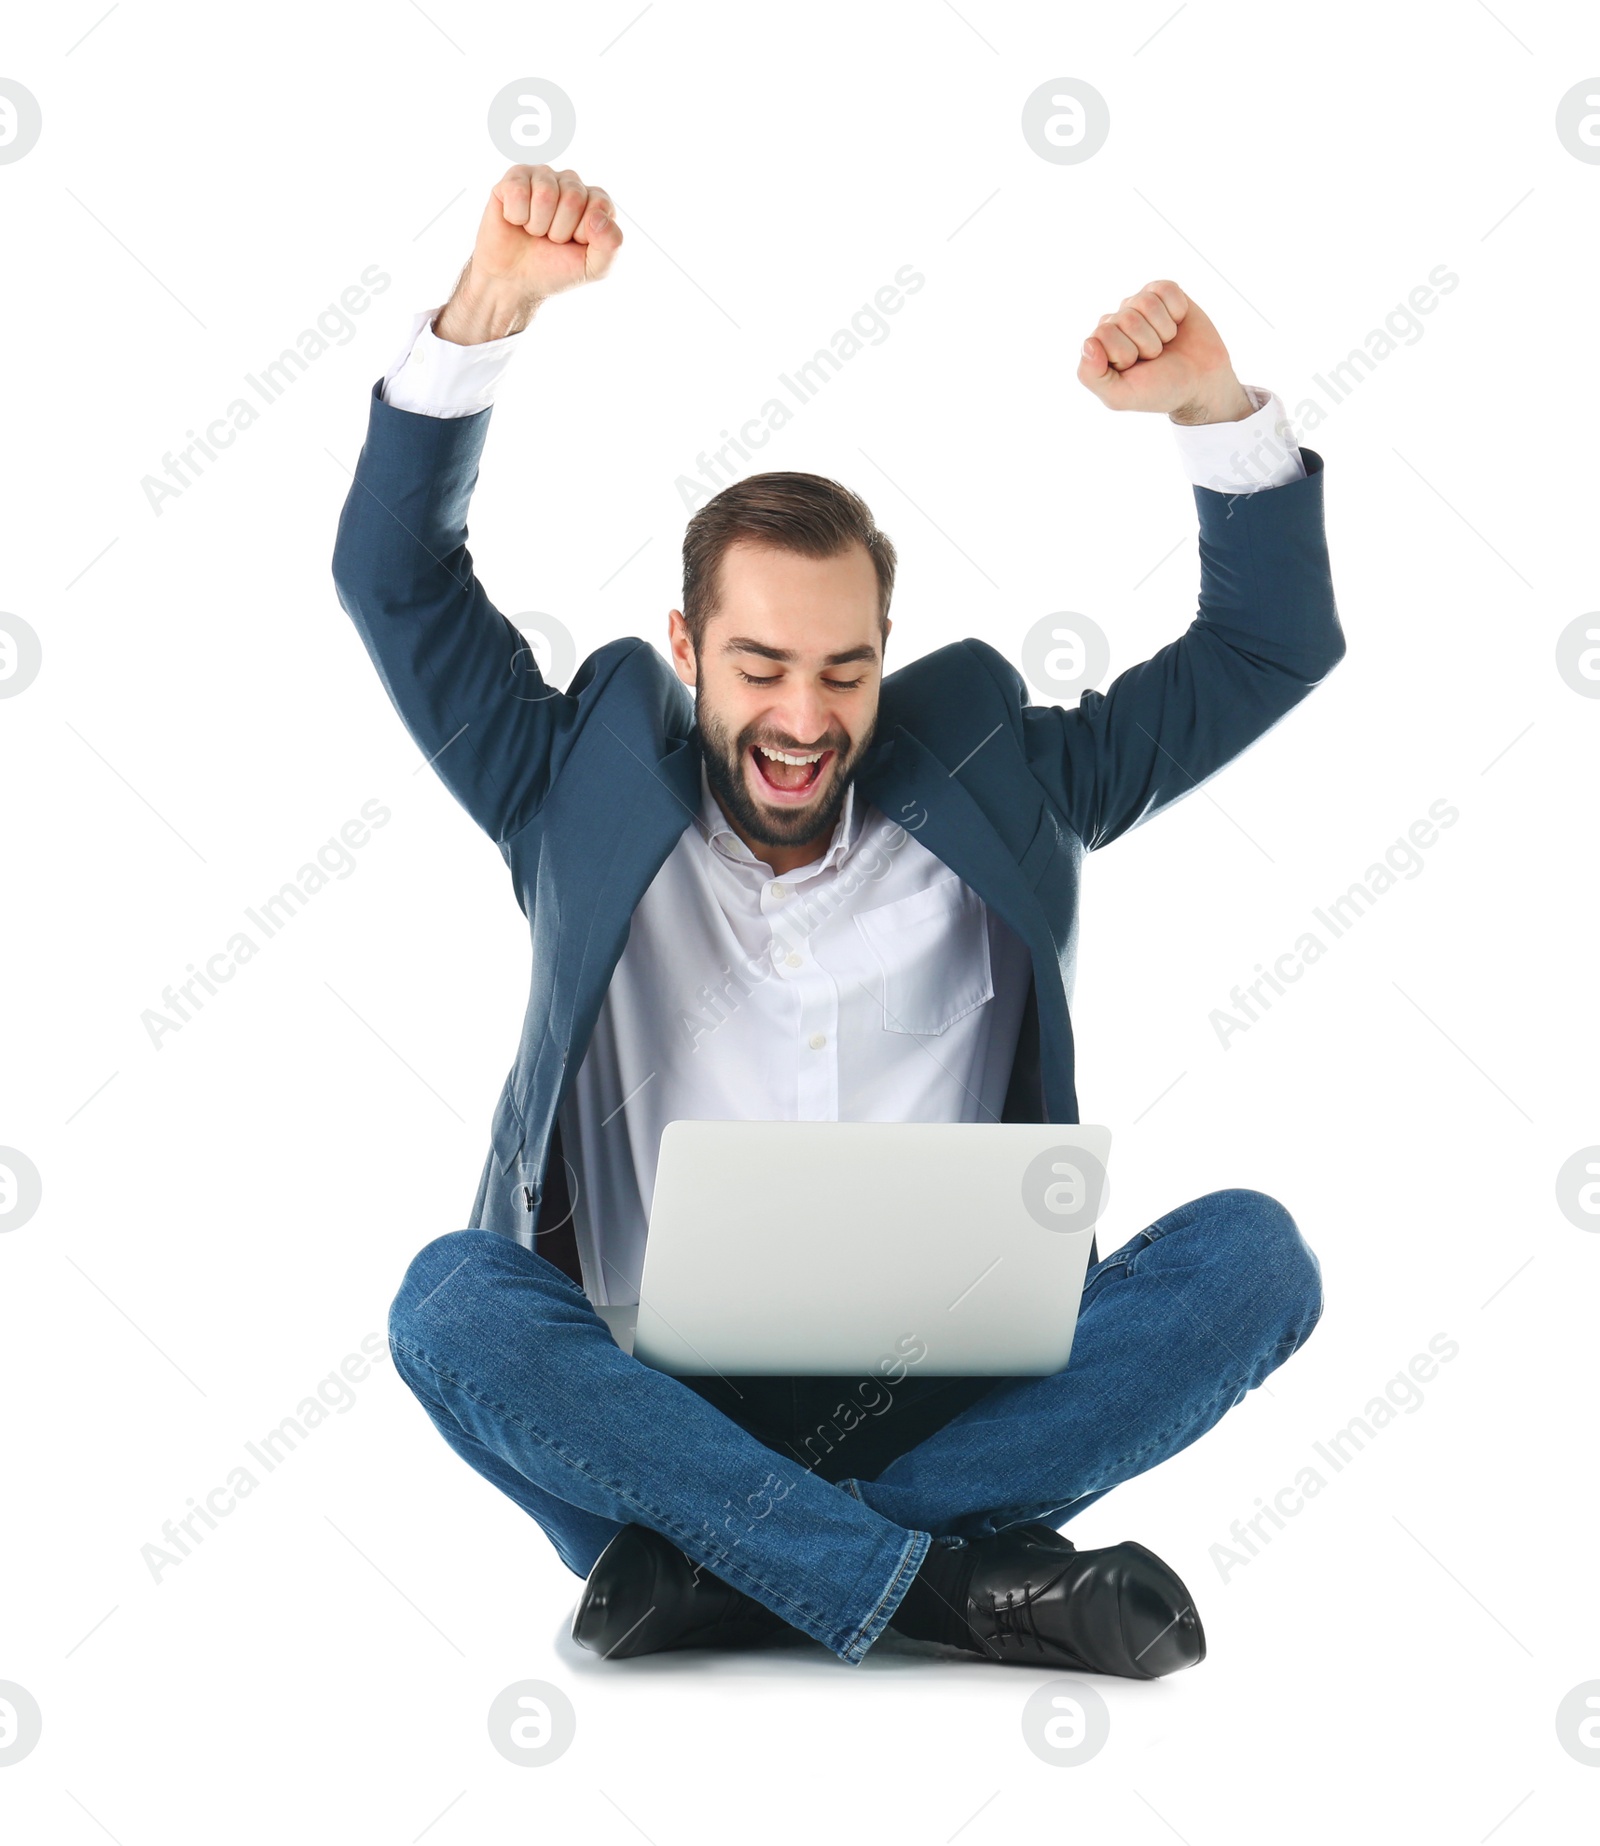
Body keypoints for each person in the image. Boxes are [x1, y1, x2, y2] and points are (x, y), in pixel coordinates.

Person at [332, 163, 1342, 1673]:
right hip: (644, 1399)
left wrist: (1216, 410)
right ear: (686, 648)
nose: (802, 718)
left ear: (887, 651)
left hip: (951, 1392)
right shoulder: (568, 779)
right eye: (757, 666)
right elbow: (394, 578)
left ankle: (733, 1568)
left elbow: (1268, 646)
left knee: (1258, 1260)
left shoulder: (1007, 776)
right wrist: (488, 312)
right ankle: (941, 1585)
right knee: (447, 1302)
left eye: (845, 670)